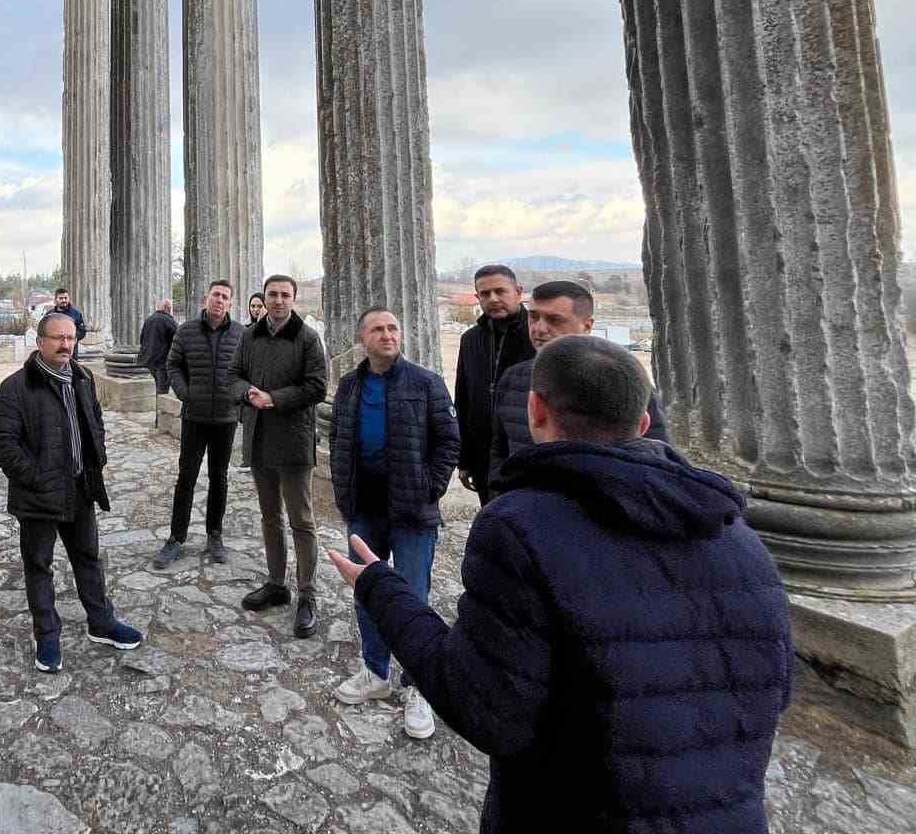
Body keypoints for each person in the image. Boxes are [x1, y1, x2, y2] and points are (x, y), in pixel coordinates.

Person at [330, 336, 792, 834]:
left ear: (535, 411)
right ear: (641, 424)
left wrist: (380, 588)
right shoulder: (740, 539)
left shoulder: (518, 526)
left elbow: (484, 709)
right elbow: (774, 689)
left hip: (566, 811)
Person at [0, 312, 143, 672]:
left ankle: (101, 623)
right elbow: (0, 444)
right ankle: (46, 635)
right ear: (40, 342)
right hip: (38, 495)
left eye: (70, 338)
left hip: (80, 488)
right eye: (57, 338)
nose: (65, 345)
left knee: (88, 558)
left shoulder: (83, 378)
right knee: (39, 565)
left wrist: (96, 459)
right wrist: (37, 476)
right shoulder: (17, 387)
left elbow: (95, 423)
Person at [329, 307, 460, 739]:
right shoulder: (349, 386)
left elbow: (448, 440)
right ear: (362, 338)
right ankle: (375, 671)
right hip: (364, 510)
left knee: (412, 598)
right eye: (377, 329)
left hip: (412, 512)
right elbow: (338, 441)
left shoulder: (425, 383)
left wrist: (430, 488)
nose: (387, 335)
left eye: (392, 328)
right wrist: (344, 494)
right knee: (367, 592)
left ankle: (417, 684)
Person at [489, 280, 666, 478]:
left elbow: (656, 461)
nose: (539, 328)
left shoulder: (624, 382)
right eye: (534, 317)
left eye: (554, 320)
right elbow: (499, 451)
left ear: (587, 325)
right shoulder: (513, 378)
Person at [231, 274, 328, 637]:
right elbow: (233, 375)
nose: (278, 301)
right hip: (259, 439)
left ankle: (307, 594)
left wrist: (274, 398)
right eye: (272, 294)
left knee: (301, 520)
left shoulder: (306, 338)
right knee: (270, 516)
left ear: (294, 299)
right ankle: (276, 583)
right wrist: (247, 393)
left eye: (285, 295)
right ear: (264, 298)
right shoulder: (249, 335)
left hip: (293, 440)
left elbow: (317, 386)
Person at [155, 281, 245, 568]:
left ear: (231, 302)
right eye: (216, 295)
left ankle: (214, 535)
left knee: (219, 478)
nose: (219, 300)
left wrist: (238, 397)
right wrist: (185, 393)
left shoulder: (241, 334)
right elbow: (173, 365)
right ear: (206, 298)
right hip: (195, 416)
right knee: (187, 478)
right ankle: (176, 538)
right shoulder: (186, 330)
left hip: (225, 418)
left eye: (225, 297)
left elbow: (247, 372)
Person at [453, 265, 533, 503]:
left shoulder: (537, 334)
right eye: (485, 294)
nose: (493, 299)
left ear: (518, 292)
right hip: (483, 458)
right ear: (477, 298)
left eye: (500, 291)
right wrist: (465, 460)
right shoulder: (470, 339)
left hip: (525, 455)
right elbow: (464, 400)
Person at [138, 298, 179, 394]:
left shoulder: (149, 320)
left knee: (159, 386)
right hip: (163, 362)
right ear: (167, 308)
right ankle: (160, 408)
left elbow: (142, 339)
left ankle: (158, 406)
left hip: (150, 361)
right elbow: (178, 341)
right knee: (163, 390)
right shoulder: (169, 321)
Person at [51, 288, 87, 358]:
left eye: (65, 298)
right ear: (55, 299)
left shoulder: (77, 314)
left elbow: (82, 331)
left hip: (71, 352)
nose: (64, 300)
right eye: (61, 298)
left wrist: (71, 337)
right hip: (54, 352)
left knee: (72, 368)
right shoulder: (49, 315)